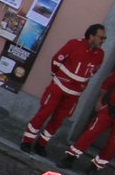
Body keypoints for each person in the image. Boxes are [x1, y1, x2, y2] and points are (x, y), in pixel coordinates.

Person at [22, 24, 107, 155]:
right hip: (58, 87)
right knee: (44, 113)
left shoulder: (100, 54)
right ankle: (27, 141)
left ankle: (41, 144)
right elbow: (56, 60)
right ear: (91, 36)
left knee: (58, 120)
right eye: (101, 37)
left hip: (74, 94)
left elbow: (93, 71)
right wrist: (59, 77)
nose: (103, 41)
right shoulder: (74, 44)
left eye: (104, 38)